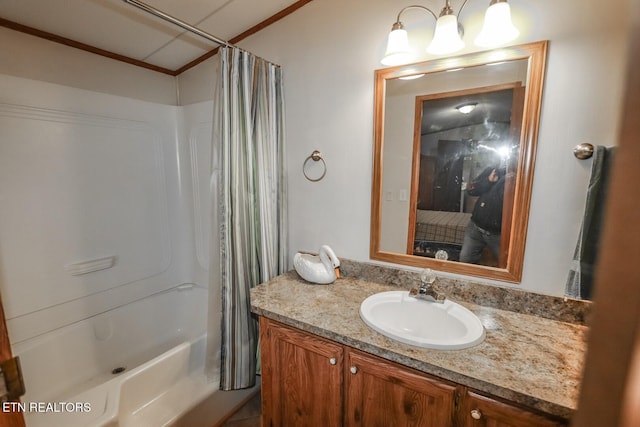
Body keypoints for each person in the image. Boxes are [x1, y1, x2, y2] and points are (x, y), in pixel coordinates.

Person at [459, 166, 505, 264]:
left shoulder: (517, 178)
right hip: (475, 228)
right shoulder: (493, 170)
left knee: (507, 266)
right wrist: (488, 180)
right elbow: (471, 190)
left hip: (498, 234)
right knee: (465, 260)